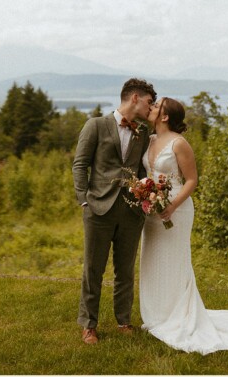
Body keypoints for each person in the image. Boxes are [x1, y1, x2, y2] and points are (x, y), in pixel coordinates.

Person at [139, 97, 228, 355]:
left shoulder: (179, 143)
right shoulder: (150, 140)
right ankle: (156, 315)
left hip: (177, 209)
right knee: (152, 260)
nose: (150, 108)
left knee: (174, 261)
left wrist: (171, 206)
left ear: (164, 116)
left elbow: (192, 180)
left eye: (155, 106)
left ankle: (177, 315)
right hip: (152, 209)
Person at [72, 78, 157, 345]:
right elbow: (80, 164)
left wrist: (145, 195)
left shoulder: (143, 132)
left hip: (132, 211)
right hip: (98, 208)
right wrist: (84, 199)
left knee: (125, 269)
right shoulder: (95, 125)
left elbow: (142, 170)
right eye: (148, 102)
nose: (151, 107)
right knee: (93, 269)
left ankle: (124, 320)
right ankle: (89, 325)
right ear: (134, 98)